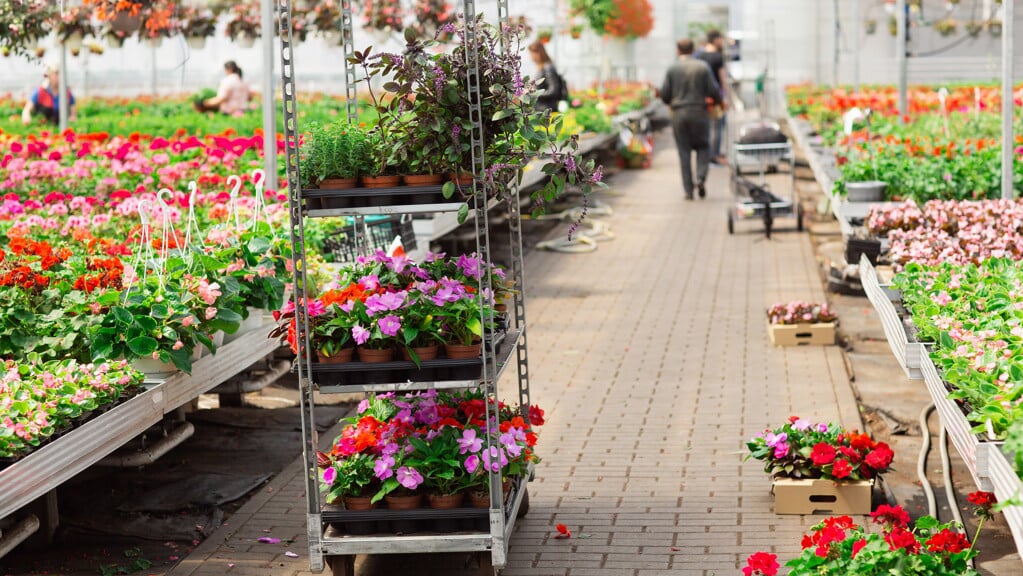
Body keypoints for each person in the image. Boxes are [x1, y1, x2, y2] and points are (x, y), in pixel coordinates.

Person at [660, 38, 722, 200]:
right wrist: (716, 103)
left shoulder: (672, 68)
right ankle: (701, 178)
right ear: (693, 49)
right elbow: (714, 90)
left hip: (679, 114)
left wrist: (673, 101)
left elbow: (665, 95)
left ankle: (688, 191)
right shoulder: (702, 67)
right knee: (703, 146)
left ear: (678, 50)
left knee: (684, 151)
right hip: (699, 112)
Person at [695, 29, 729, 165]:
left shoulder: (698, 55)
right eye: (720, 39)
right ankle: (713, 156)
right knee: (717, 127)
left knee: (705, 128)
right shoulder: (717, 56)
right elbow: (723, 80)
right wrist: (725, 97)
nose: (722, 42)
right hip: (715, 98)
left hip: (701, 98)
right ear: (715, 39)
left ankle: (705, 156)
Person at [528, 41, 565, 114]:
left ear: (538, 53)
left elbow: (553, 91)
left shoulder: (548, 68)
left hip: (547, 110)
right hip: (541, 109)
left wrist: (534, 93)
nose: (530, 56)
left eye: (531, 53)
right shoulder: (541, 67)